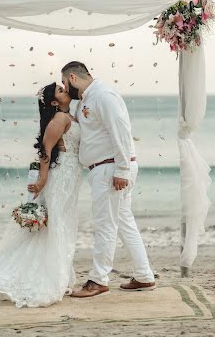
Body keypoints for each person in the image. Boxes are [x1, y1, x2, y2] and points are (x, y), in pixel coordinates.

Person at [0, 82, 82, 308]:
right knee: (57, 225)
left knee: (63, 224)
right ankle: (48, 278)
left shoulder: (71, 117)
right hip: (61, 176)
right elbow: (45, 149)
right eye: (60, 90)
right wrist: (43, 179)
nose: (65, 90)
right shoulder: (58, 120)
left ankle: (58, 274)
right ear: (54, 102)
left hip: (71, 176)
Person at [61, 61, 155, 298]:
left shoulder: (104, 95)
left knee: (105, 225)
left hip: (111, 168)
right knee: (124, 222)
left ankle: (98, 280)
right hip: (103, 168)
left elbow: (120, 131)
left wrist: (122, 170)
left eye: (64, 83)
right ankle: (144, 276)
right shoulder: (85, 100)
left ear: (72, 77)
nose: (64, 88)